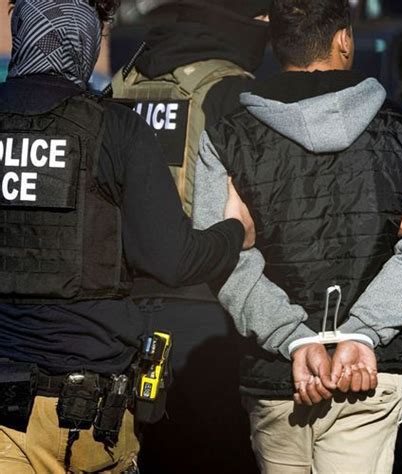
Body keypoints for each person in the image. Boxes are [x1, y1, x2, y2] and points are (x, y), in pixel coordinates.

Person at [193, 0, 402, 472]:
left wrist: (292, 337)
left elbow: (224, 255)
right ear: (344, 40)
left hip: (278, 374)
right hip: (368, 370)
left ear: (276, 45)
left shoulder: (225, 138)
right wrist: (365, 331)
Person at [0, 1, 254, 473]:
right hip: (90, 417)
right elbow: (172, 260)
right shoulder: (114, 127)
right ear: (83, 38)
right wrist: (234, 231)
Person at [110, 1, 270, 472]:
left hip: (122, 311)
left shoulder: (124, 82)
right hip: (207, 312)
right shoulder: (232, 90)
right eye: (262, 16)